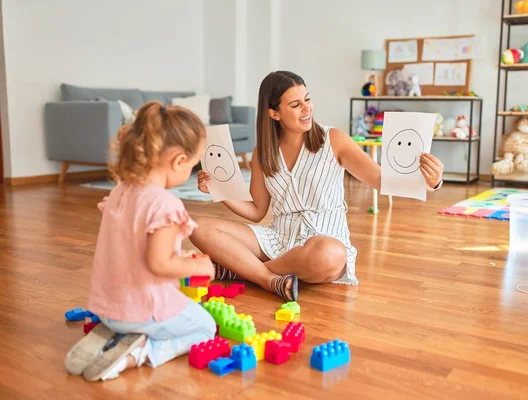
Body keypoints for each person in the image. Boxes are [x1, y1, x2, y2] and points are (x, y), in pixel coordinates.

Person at [192, 71, 444, 303]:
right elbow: (258, 211)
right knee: (198, 227)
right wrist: (218, 190)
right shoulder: (263, 153)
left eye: (307, 99)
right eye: (295, 104)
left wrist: (432, 181)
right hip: (277, 238)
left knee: (329, 255)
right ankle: (269, 279)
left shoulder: (333, 140)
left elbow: (380, 179)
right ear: (273, 113)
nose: (306, 109)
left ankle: (243, 269)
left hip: (323, 242)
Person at [64, 102, 216, 382]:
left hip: (106, 307)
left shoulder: (122, 192)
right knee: (206, 327)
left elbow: (131, 244)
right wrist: (201, 268)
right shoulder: (165, 204)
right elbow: (158, 263)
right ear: (179, 161)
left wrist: (179, 253)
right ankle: (140, 354)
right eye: (194, 165)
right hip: (141, 311)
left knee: (162, 313)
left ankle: (114, 333)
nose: (191, 171)